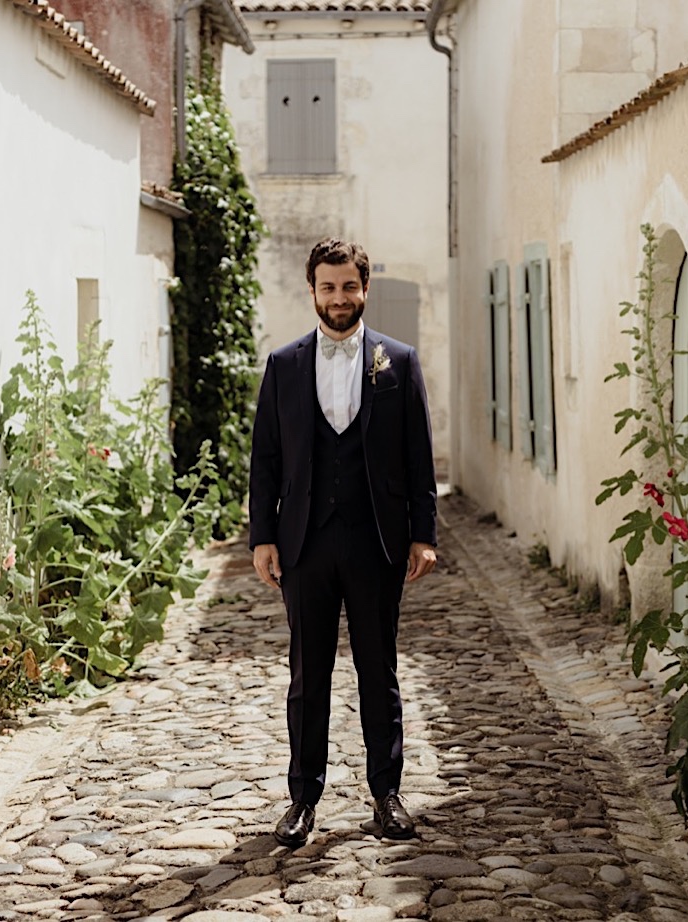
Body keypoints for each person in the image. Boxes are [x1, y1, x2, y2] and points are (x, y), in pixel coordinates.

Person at [248, 238, 439, 847]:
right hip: (304, 543)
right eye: (328, 287)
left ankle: (387, 795)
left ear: (364, 289)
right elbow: (265, 459)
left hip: (377, 540)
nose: (339, 297)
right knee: (308, 676)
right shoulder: (283, 364)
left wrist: (423, 534)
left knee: (378, 669)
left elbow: (418, 455)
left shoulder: (399, 361)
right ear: (312, 291)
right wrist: (262, 537)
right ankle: (302, 799)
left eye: (348, 287)